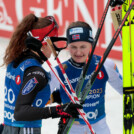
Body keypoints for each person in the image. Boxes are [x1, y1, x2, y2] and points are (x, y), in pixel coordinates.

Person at [1, 14, 82, 134]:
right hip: (25, 129)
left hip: (9, 128)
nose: (55, 47)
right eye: (54, 42)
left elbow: (26, 96)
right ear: (44, 43)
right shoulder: (37, 73)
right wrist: (58, 111)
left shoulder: (16, 60)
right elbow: (20, 112)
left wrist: (56, 98)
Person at [50, 21, 123, 134]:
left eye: (83, 46)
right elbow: (39, 101)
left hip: (99, 127)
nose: (78, 52)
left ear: (91, 44)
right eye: (73, 47)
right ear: (67, 46)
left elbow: (124, 90)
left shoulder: (104, 65)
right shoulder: (59, 70)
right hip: (71, 127)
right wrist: (55, 98)